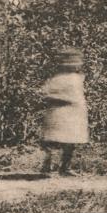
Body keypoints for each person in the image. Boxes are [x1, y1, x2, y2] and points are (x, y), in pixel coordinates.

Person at [36, 47, 89, 176]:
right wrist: (64, 99)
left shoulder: (77, 78)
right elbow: (45, 93)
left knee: (70, 143)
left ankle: (65, 167)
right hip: (58, 114)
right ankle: (48, 167)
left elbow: (79, 94)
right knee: (53, 142)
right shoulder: (57, 79)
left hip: (74, 115)